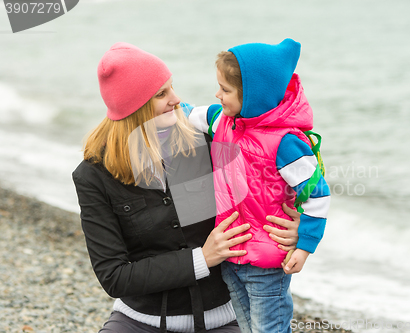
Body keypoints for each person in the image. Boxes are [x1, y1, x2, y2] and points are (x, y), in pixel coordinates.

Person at [72, 42, 300, 333]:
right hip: (140, 322)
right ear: (135, 106)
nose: (176, 99)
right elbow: (114, 276)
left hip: (229, 318)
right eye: (161, 94)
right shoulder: (93, 176)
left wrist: (294, 227)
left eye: (172, 88)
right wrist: (202, 258)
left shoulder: (210, 142)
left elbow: (275, 185)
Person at [188, 38, 331, 333]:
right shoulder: (222, 121)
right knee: (246, 326)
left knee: (270, 329)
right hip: (232, 256)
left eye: (225, 90)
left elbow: (318, 194)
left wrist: (304, 246)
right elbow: (187, 113)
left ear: (253, 95)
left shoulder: (286, 144)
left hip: (266, 264)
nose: (217, 95)